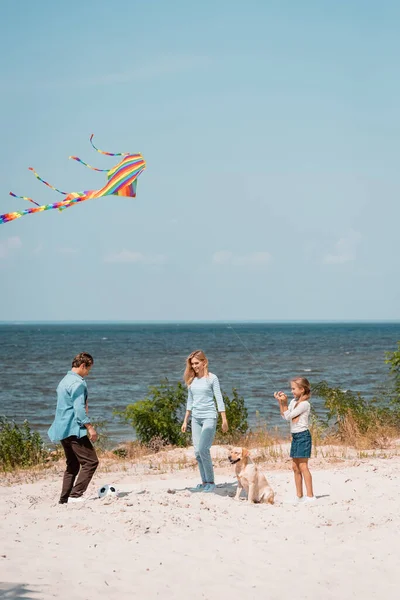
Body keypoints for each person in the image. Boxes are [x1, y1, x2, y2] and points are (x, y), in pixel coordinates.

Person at [48, 352, 99, 504]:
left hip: (62, 428)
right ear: (83, 365)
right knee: (91, 462)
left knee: (72, 464)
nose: (88, 373)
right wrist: (90, 427)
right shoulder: (78, 383)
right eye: (89, 369)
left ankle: (64, 499)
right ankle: (75, 495)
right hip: (73, 429)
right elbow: (79, 409)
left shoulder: (64, 380)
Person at [181, 350, 229, 493]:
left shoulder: (212, 378)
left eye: (197, 363)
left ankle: (211, 482)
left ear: (204, 362)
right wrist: (185, 421)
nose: (194, 366)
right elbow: (190, 402)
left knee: (203, 449)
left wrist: (224, 419)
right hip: (195, 418)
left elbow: (219, 398)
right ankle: (204, 482)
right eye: (192, 364)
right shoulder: (191, 381)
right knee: (197, 452)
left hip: (209, 417)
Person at [274, 377, 316, 503]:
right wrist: (281, 403)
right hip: (296, 437)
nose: (292, 391)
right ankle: (299, 496)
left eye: (293, 388)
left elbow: (288, 416)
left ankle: (310, 496)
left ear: (302, 389)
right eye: (291, 388)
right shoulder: (293, 402)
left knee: (303, 466)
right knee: (295, 467)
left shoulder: (304, 404)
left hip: (303, 436)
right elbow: (284, 416)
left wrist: (284, 403)